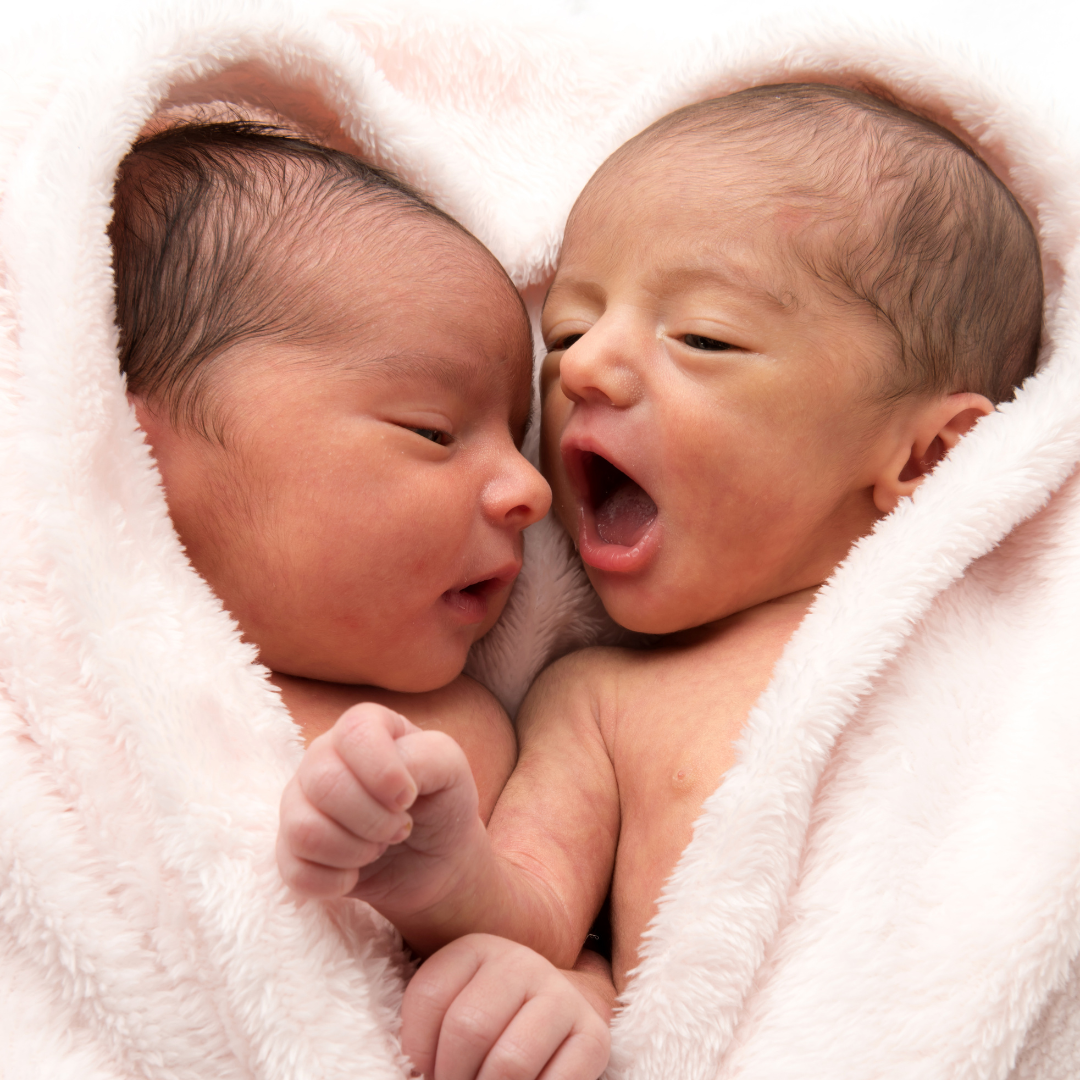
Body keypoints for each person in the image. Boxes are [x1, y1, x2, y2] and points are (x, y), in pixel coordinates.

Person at [277, 81, 1042, 1063]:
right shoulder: (597, 698)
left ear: (928, 460)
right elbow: (539, 911)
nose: (585, 366)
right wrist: (439, 864)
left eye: (703, 337)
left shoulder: (1016, 628)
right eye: (565, 333)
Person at [111, 120, 611, 1080]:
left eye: (515, 435)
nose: (530, 490)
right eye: (433, 431)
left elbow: (554, 936)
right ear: (139, 452)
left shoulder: (455, 743)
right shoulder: (57, 650)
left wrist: (557, 998)